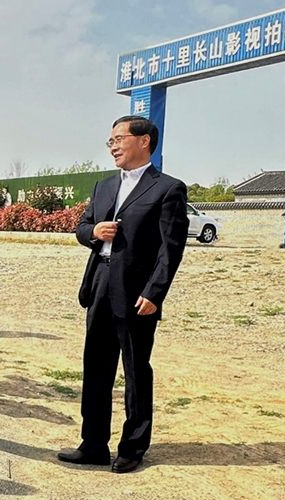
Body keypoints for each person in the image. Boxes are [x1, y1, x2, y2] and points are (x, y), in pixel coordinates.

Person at [58, 115, 188, 474]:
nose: (113, 146)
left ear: (144, 141)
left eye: (119, 139)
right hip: (100, 283)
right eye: (110, 141)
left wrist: (155, 292)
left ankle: (133, 447)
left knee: (135, 370)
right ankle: (93, 444)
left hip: (136, 292)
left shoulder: (168, 189)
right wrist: (93, 232)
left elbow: (170, 249)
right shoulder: (104, 186)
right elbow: (82, 227)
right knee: (96, 367)